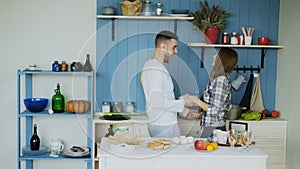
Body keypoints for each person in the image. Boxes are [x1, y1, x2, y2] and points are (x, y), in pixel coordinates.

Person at [141, 30, 198, 138]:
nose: (176, 51)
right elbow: (157, 102)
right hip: (164, 126)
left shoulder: (150, 65)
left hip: (161, 124)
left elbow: (164, 97)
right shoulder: (156, 69)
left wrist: (185, 112)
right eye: (174, 47)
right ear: (163, 47)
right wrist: (183, 103)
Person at [181, 48, 238, 137]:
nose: (214, 56)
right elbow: (215, 107)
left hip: (214, 129)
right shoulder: (219, 79)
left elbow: (214, 109)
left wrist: (194, 99)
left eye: (217, 55)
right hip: (211, 127)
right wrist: (200, 114)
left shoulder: (220, 80)